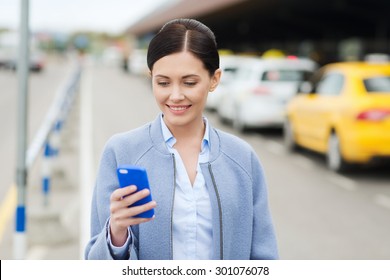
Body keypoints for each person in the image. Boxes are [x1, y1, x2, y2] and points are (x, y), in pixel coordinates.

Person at [85, 18, 278, 260]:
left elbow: (264, 256)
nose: (175, 96)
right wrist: (116, 235)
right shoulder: (121, 151)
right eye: (163, 82)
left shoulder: (242, 158)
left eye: (189, 82)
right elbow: (94, 259)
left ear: (214, 79)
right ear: (151, 77)